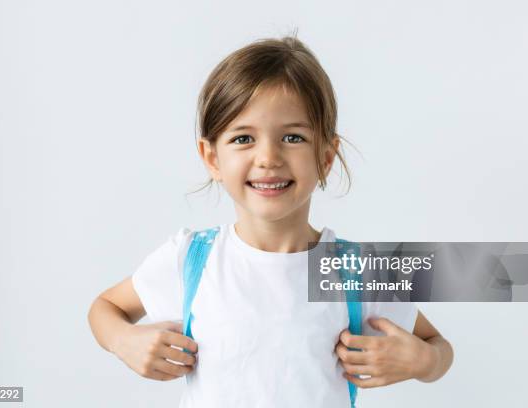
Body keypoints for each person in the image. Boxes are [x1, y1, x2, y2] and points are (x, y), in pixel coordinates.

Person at [88, 35, 453, 407]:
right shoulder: (191, 260)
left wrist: (424, 362)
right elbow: (105, 308)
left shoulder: (350, 271)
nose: (268, 157)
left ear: (325, 157)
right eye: (244, 138)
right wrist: (122, 341)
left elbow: (438, 348)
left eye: (292, 137)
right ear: (212, 158)